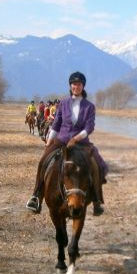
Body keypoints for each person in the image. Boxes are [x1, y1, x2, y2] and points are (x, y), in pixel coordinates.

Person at [26, 72, 107, 216]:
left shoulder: (89, 106)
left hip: (81, 142)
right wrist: (50, 141)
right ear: (70, 86)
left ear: (83, 86)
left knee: (98, 164)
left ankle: (96, 200)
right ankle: (36, 196)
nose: (76, 86)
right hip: (62, 140)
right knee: (43, 160)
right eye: (74, 84)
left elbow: (89, 127)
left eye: (79, 84)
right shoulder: (63, 103)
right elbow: (56, 125)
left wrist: (76, 138)